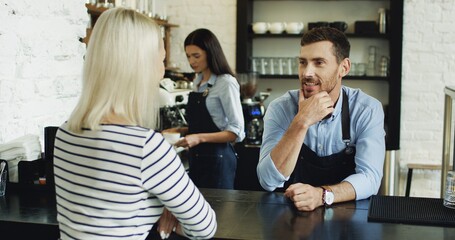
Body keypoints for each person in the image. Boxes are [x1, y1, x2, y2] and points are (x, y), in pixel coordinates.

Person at [53, 8, 217, 240]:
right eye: (161, 60)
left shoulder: (65, 132)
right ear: (140, 66)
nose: (162, 71)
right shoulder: (146, 147)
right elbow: (205, 227)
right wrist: (165, 209)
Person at [257, 27, 385, 211]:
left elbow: (370, 178)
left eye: (319, 63)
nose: (307, 73)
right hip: (292, 218)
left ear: (344, 68)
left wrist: (322, 195)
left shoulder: (367, 109)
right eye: (303, 62)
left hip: (348, 219)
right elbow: (267, 181)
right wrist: (301, 121)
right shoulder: (280, 108)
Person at [167, 28, 245, 189]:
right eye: (188, 56)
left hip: (219, 161)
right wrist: (182, 130)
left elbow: (236, 132)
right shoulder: (198, 81)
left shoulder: (225, 83)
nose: (191, 61)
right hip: (198, 159)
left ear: (210, 53)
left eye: (196, 56)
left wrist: (198, 138)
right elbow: (205, 124)